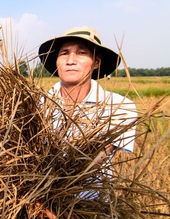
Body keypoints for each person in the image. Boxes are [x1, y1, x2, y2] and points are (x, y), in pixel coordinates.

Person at [36, 26, 138, 218]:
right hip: (36, 206)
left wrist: (57, 207)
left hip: (91, 208)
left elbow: (97, 158)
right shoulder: (35, 105)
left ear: (96, 62)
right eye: (64, 53)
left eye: (81, 53)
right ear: (56, 61)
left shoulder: (119, 106)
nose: (71, 60)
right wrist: (38, 204)